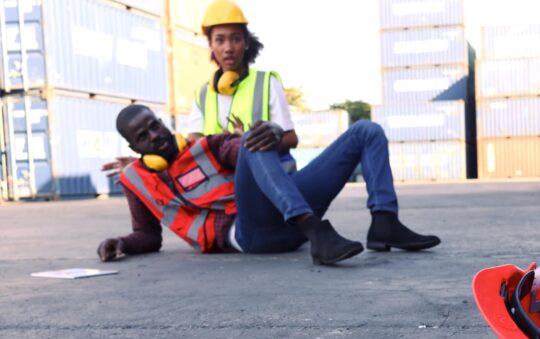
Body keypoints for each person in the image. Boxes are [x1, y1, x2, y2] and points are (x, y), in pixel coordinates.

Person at [97, 105, 440, 266]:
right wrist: (122, 243)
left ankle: (385, 223)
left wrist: (274, 133)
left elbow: (241, 147)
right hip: (251, 234)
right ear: (134, 149)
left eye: (154, 125)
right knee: (251, 141)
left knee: (365, 130)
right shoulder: (136, 180)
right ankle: (316, 232)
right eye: (143, 136)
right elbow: (148, 236)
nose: (155, 136)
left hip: (287, 219)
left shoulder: (208, 146)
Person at [101, 0, 298, 178]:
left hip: (271, 179)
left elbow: (291, 138)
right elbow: (188, 151)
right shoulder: (203, 96)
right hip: (226, 187)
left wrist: (256, 144)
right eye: (220, 40)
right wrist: (140, 165)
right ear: (211, 44)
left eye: (236, 39)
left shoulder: (266, 82)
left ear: (246, 43)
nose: (228, 47)